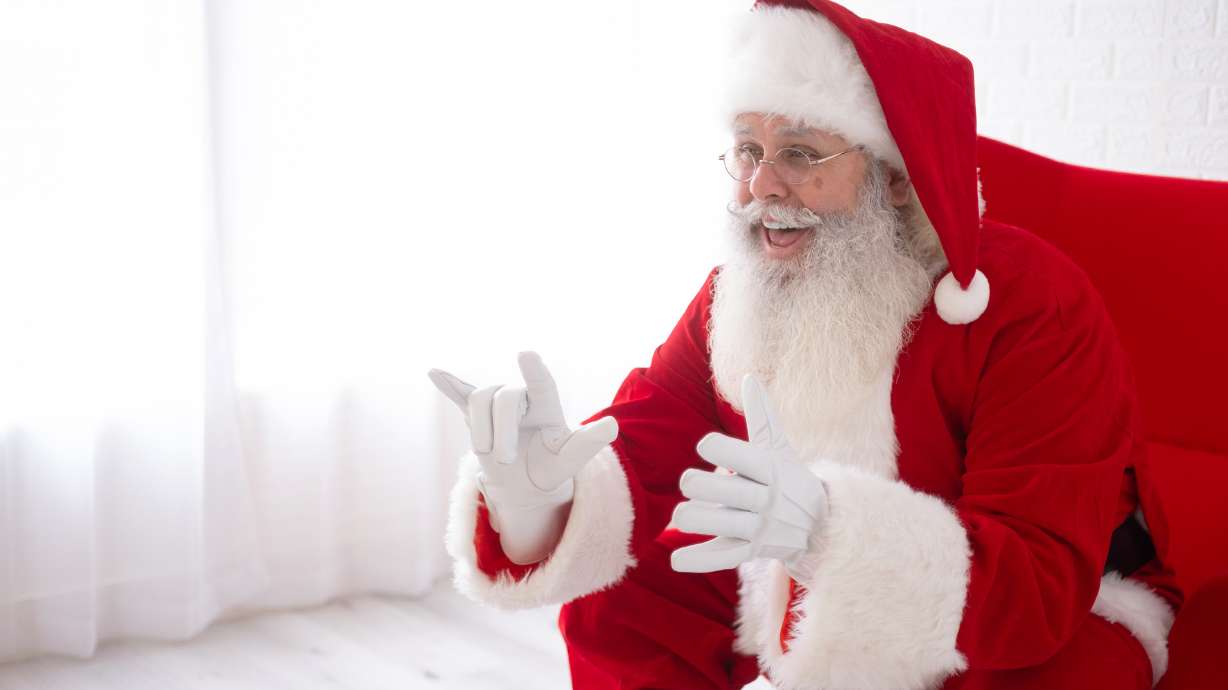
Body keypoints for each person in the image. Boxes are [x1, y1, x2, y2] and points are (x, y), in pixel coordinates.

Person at [428, 1, 1180, 688]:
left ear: (894, 178)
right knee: (625, 599)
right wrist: (542, 503)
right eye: (746, 149)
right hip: (792, 566)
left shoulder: (1030, 298)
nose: (761, 186)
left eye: (798, 153)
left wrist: (830, 533)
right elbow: (648, 436)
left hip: (1029, 605)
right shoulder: (739, 292)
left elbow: (1038, 581)